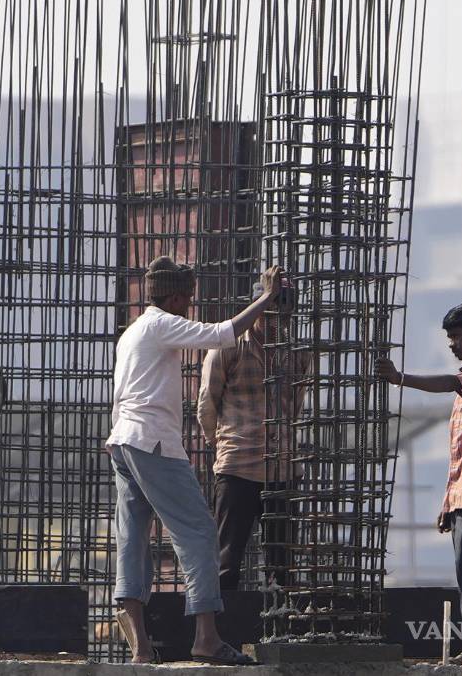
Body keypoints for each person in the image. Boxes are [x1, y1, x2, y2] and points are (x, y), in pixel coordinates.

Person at [107, 256, 288, 666]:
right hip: (153, 442)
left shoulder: (133, 331)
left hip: (124, 441)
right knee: (200, 534)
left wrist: (117, 435)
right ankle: (206, 637)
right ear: (174, 297)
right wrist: (267, 298)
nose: (190, 304)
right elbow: (222, 333)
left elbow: (122, 392)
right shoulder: (160, 323)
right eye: (187, 297)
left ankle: (141, 649)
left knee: (133, 540)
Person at [375, 302, 462, 667]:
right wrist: (448, 502)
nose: (452, 345)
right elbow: (461, 452)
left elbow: (450, 383)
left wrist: (400, 378)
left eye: (456, 337)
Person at [198, 274, 304, 591]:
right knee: (226, 561)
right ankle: (221, 618)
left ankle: (280, 614)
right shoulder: (227, 348)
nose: (276, 321)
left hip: (282, 468)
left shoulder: (297, 353)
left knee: (281, 566)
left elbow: (295, 406)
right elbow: (207, 403)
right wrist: (224, 445)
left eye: (283, 313)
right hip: (237, 467)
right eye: (269, 312)